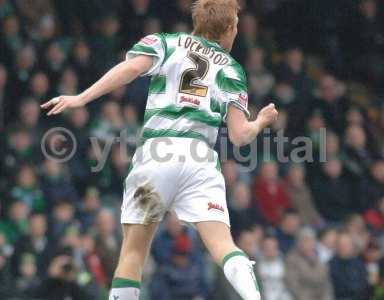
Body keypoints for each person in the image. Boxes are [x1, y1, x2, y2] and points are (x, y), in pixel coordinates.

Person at [41, 0, 278, 299]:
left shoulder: (166, 43)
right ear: (230, 28)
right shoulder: (231, 69)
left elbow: (129, 69)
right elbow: (240, 135)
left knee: (133, 252)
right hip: (199, 159)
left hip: (156, 153)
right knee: (223, 245)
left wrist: (81, 98)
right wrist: (261, 121)